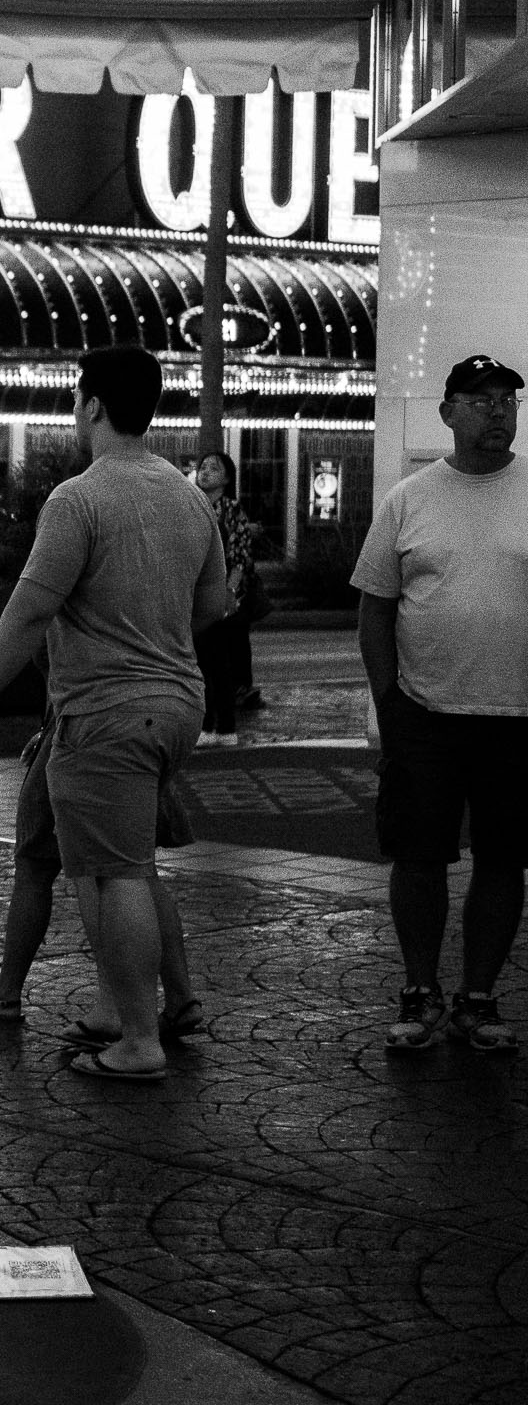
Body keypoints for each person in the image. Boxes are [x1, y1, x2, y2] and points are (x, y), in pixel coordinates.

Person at [0, 347, 226, 1083]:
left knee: (114, 876)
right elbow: (215, 606)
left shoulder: (78, 499)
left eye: (78, 397)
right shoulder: (187, 494)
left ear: (94, 405)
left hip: (106, 712)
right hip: (176, 706)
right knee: (128, 863)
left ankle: (138, 1039)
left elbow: (31, 607)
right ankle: (123, 1013)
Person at [352, 353, 528, 1054]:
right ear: (448, 411)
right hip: (424, 713)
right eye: (481, 400)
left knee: (504, 861)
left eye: (509, 400)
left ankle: (479, 997)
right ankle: (420, 991)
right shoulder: (409, 498)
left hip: (517, 718)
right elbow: (375, 610)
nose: (498, 411)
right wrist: (389, 703)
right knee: (418, 858)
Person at [0, 701, 204, 1043]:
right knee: (134, 866)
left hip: (87, 720)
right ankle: (179, 999)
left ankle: (111, 1009)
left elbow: (29, 647)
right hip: (149, 715)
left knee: (87, 864)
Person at [192, 451, 258, 747]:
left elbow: (241, 557)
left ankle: (223, 726)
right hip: (196, 595)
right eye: (202, 467)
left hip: (221, 596)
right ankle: (211, 725)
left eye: (213, 468)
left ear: (227, 478)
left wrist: (230, 592)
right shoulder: (192, 505)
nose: (205, 472)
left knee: (217, 660)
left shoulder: (231, 509)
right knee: (202, 661)